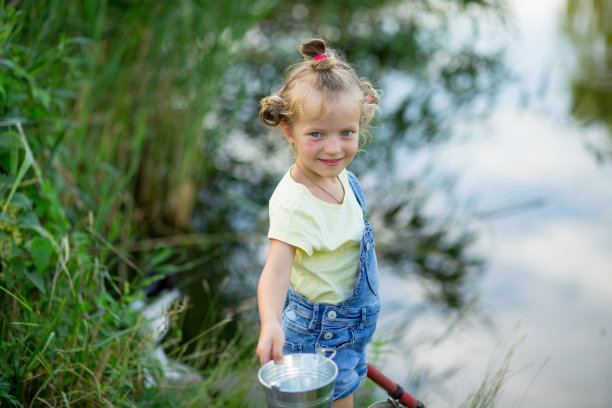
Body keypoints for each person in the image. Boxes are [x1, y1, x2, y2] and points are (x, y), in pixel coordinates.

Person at [256, 38, 381, 408]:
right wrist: (271, 322)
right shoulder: (296, 204)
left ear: (360, 126)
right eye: (316, 134)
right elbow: (276, 273)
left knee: (346, 395)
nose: (333, 148)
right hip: (318, 335)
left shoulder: (344, 178)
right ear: (289, 132)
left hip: (349, 329)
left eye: (346, 133)